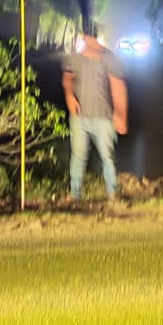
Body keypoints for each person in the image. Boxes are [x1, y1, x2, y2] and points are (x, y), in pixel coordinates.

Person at [61, 22, 128, 201]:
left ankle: (113, 194)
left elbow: (118, 87)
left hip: (104, 118)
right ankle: (75, 194)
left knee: (108, 157)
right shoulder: (74, 58)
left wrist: (121, 115)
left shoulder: (110, 59)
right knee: (78, 156)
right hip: (79, 117)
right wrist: (69, 97)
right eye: (85, 36)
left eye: (89, 36)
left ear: (94, 36)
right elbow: (67, 78)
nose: (87, 39)